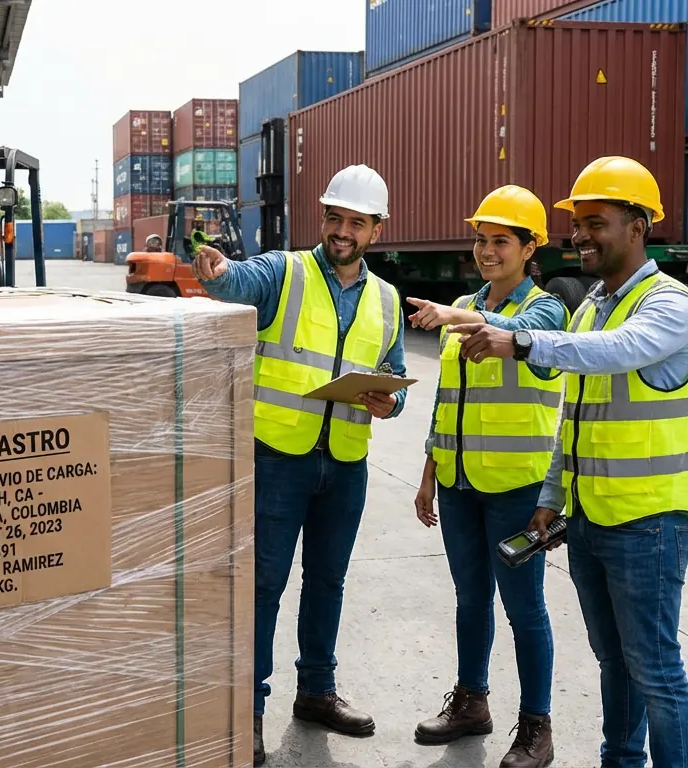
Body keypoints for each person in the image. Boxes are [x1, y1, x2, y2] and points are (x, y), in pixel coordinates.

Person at [442, 156, 688, 768]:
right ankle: (620, 760)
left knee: (656, 669)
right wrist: (551, 499)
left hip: (650, 523)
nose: (580, 235)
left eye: (596, 222)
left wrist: (524, 339)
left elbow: (617, 352)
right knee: (615, 662)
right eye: (577, 223)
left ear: (639, 225)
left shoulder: (669, 304)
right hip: (589, 518)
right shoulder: (592, 306)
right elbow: (575, 417)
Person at [192, 164, 408, 767]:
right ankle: (249, 711)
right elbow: (235, 281)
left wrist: (391, 400)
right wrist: (216, 270)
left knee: (328, 582)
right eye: (335, 218)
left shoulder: (386, 300)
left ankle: (315, 691)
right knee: (262, 586)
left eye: (356, 223)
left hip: (345, 463)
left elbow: (393, 376)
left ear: (376, 229)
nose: (342, 231)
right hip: (279, 458)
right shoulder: (284, 271)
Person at [404, 185, 567, 768]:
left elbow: (512, 332)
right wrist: (429, 473)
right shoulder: (468, 305)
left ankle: (537, 727)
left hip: (518, 490)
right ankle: (472, 701)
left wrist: (456, 314)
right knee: (471, 599)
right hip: (459, 485)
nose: (486, 250)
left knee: (527, 612)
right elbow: (448, 402)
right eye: (481, 239)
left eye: (501, 241)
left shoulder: (546, 311)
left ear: (530, 248)